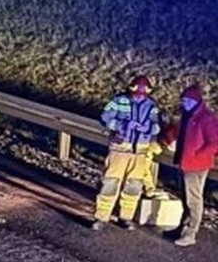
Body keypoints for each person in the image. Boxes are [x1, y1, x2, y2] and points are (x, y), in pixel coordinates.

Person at [92, 75, 161, 230]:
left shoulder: (151, 105)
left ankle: (126, 217)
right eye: (137, 95)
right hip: (119, 149)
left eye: (142, 95)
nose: (139, 98)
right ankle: (101, 217)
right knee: (110, 183)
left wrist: (148, 128)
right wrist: (122, 125)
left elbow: (157, 126)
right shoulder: (119, 100)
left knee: (134, 186)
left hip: (140, 152)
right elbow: (104, 118)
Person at [173, 84, 218, 246]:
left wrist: (197, 155)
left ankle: (191, 233)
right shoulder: (188, 116)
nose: (183, 104)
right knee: (185, 197)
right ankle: (182, 228)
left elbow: (215, 142)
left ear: (194, 101)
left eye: (186, 101)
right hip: (185, 162)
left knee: (193, 199)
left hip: (196, 165)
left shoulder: (206, 118)